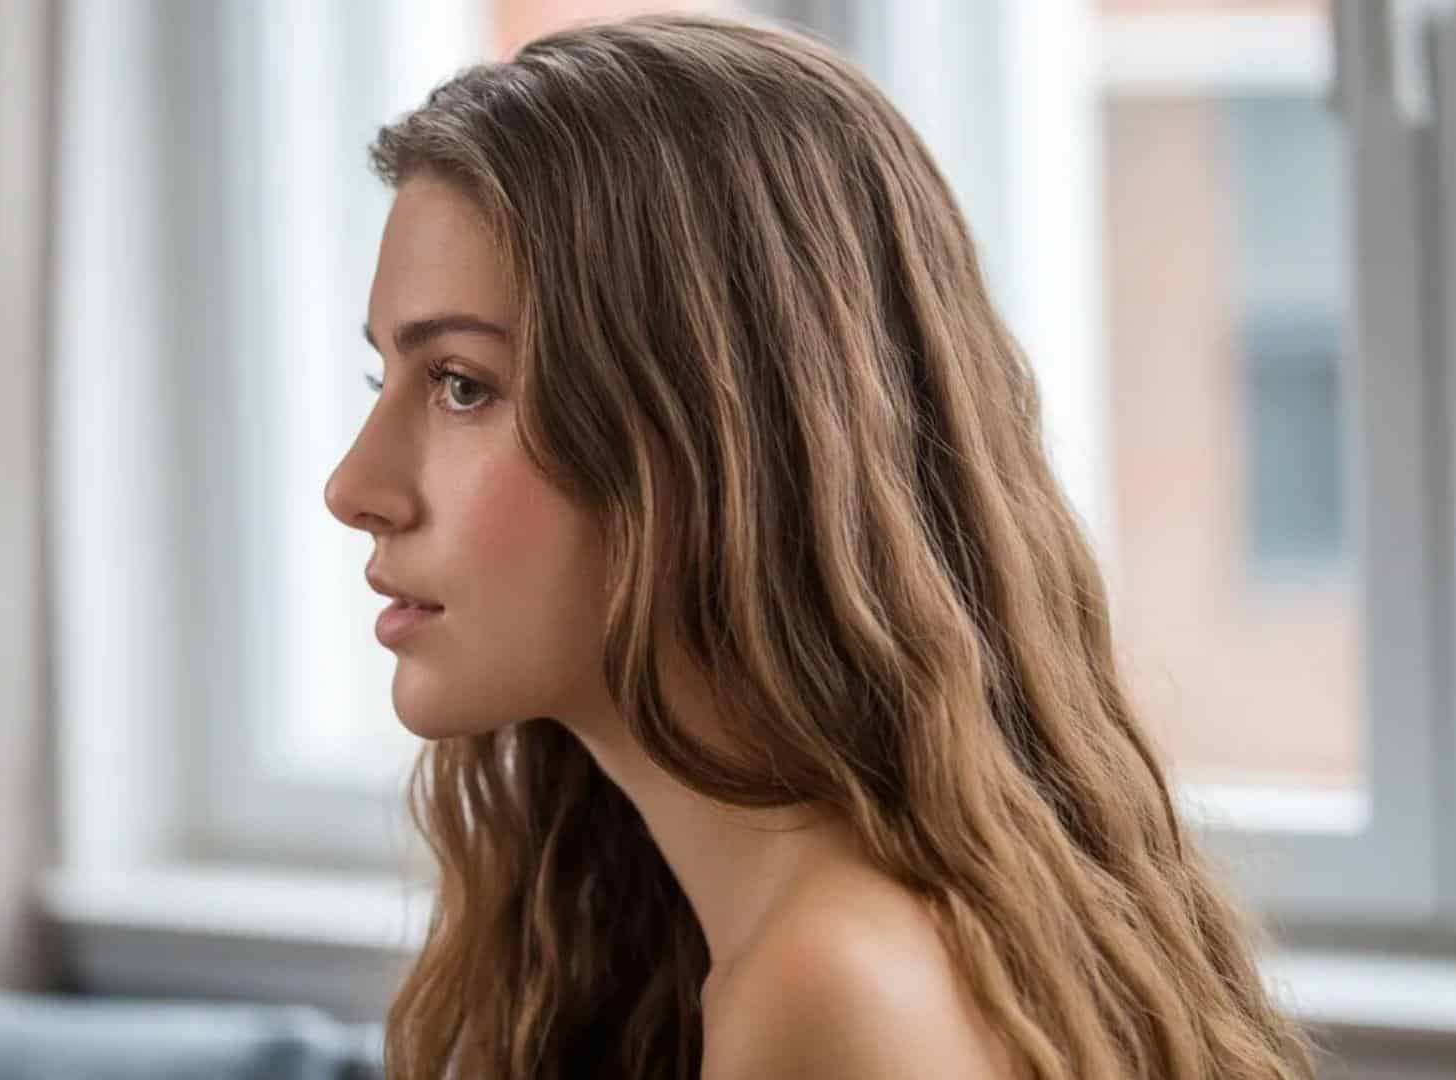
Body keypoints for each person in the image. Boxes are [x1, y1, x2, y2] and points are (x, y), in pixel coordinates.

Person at [324, 12, 1320, 1079]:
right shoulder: (722, 928)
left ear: (715, 434)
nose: (355, 489)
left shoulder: (834, 994)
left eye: (464, 385)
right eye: (388, 380)